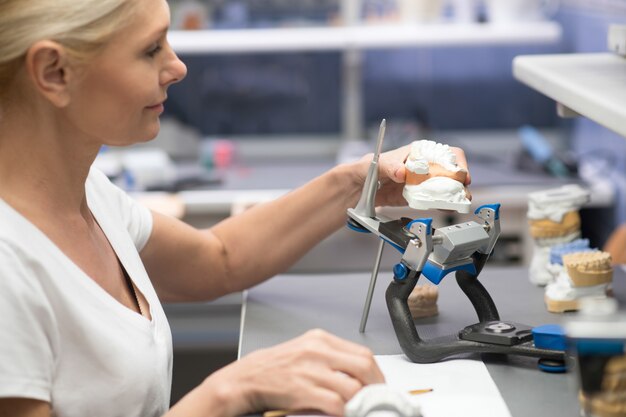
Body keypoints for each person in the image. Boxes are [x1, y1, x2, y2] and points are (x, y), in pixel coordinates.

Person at [0, 1, 470, 416]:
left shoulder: (88, 194)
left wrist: (359, 183)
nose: (178, 67)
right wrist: (229, 392)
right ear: (54, 72)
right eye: (150, 49)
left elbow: (218, 259)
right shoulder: (9, 266)